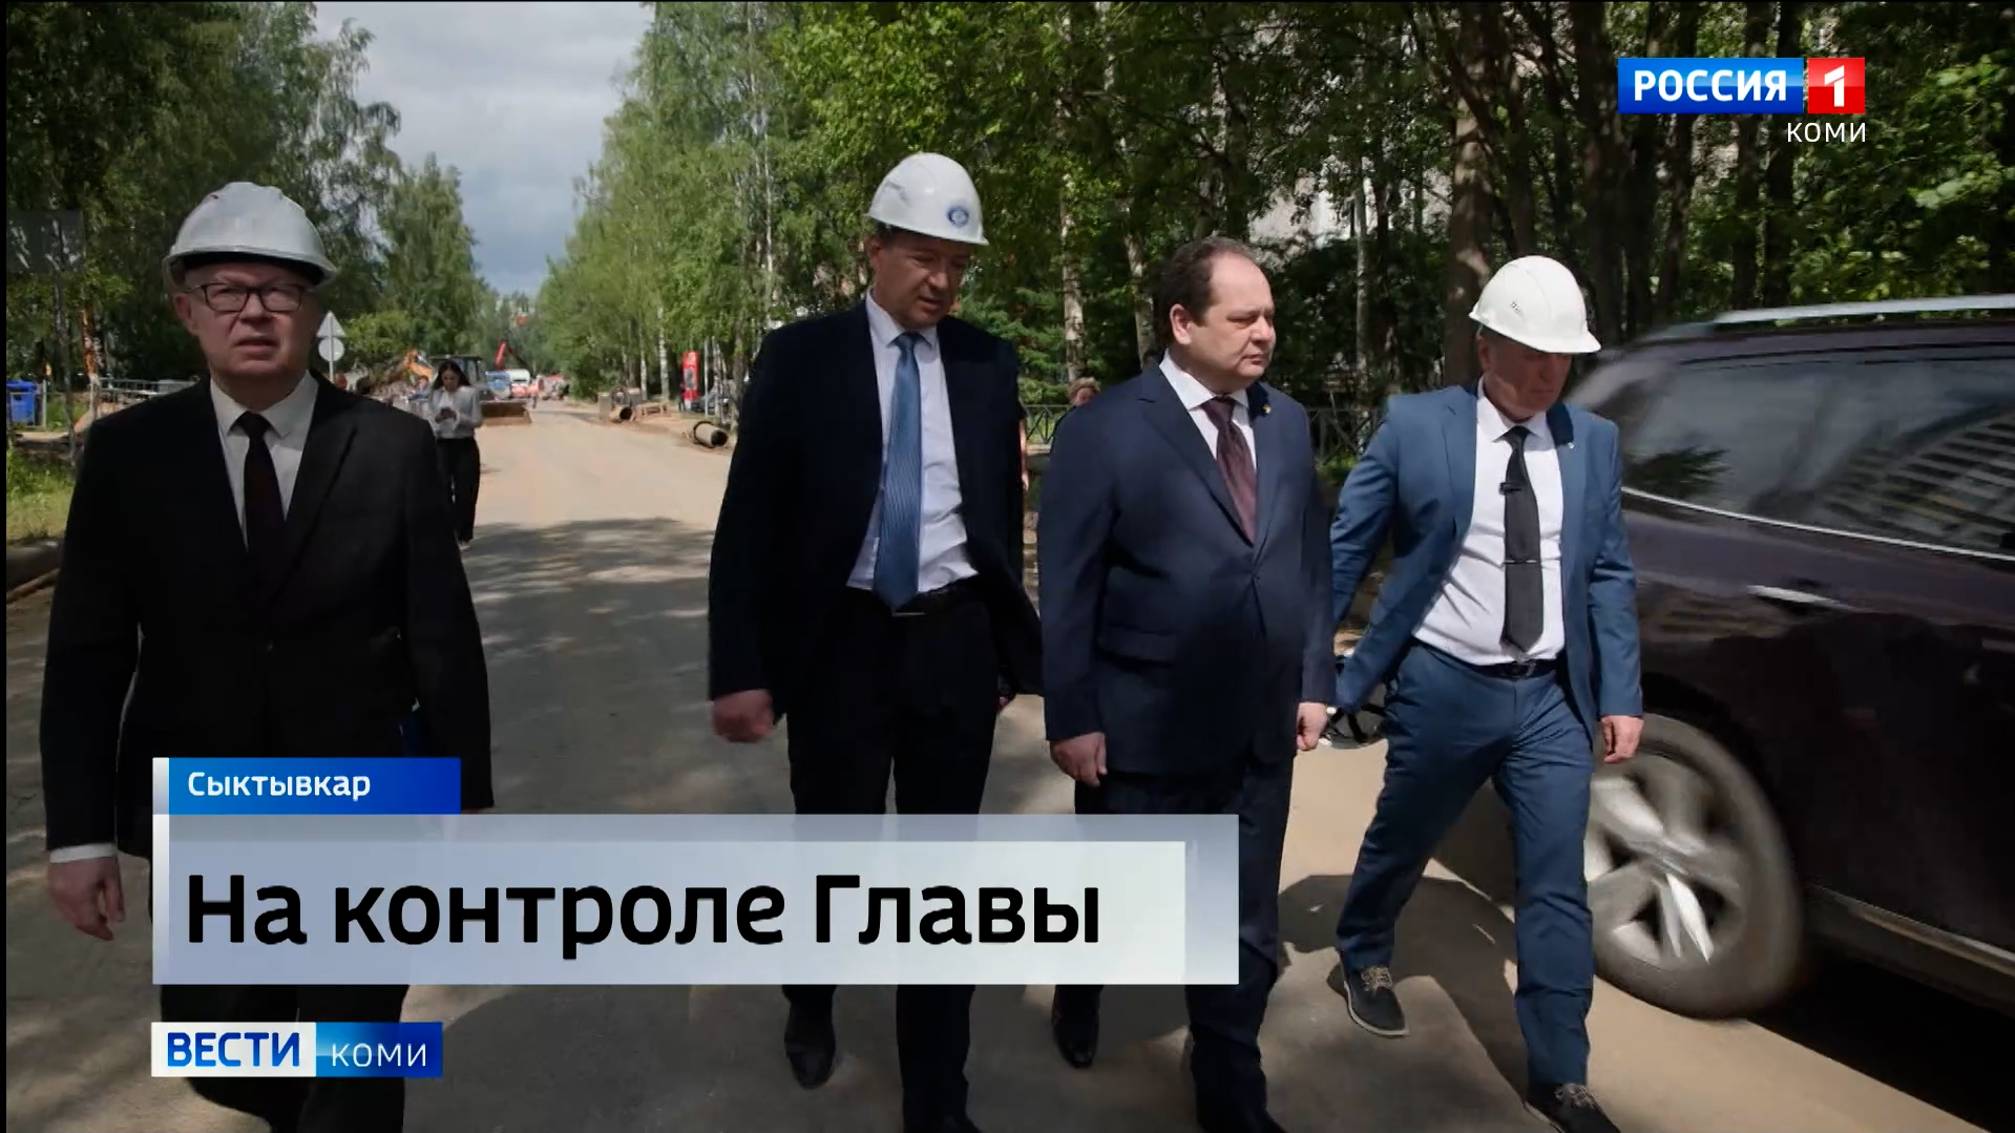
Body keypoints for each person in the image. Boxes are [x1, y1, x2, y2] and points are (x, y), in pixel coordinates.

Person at [37, 181, 492, 1133]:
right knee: (223, 1049)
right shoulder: (127, 455)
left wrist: (462, 809)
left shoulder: (391, 446)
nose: (253, 310)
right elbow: (87, 655)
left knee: (355, 1052)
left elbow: (442, 637)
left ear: (315, 310)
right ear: (186, 309)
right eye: (226, 289)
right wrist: (78, 838)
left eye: (280, 290)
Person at [706, 152, 1041, 1133]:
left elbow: (998, 513)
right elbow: (748, 523)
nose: (941, 281)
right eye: (924, 257)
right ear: (874, 249)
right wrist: (742, 668)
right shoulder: (800, 358)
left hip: (950, 643)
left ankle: (938, 1098)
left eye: (957, 264)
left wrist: (1000, 649)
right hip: (839, 648)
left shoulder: (985, 364)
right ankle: (811, 995)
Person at [1325, 255, 1642, 1133]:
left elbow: (1607, 572)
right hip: (1443, 683)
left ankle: (1561, 1073)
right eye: (1531, 354)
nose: (1548, 373)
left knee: (1555, 882)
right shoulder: (1415, 427)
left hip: (1550, 699)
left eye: (1562, 357)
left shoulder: (1591, 441)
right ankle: (1362, 948)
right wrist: (1312, 672)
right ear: (1484, 346)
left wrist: (1619, 692)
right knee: (1405, 834)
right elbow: (1346, 549)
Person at [1038, 237, 1332, 1133]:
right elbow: (1068, 584)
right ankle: (1081, 985)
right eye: (1242, 317)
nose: (1263, 333)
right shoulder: (1103, 431)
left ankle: (1229, 1082)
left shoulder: (1286, 423)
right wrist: (1072, 713)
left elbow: (1309, 562)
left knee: (1241, 921)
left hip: (1256, 729)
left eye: (1269, 316)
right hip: (1142, 727)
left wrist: (1313, 677)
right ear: (1181, 322)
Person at [428, 359, 483, 547]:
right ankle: (449, 530)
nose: (449, 382)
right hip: (442, 445)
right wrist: (438, 418)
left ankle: (464, 534)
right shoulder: (436, 395)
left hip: (464, 444)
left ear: (459, 377)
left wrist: (457, 416)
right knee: (442, 489)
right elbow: (429, 420)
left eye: (452, 378)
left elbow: (478, 420)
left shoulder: (469, 393)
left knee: (465, 491)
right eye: (445, 378)